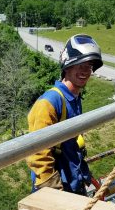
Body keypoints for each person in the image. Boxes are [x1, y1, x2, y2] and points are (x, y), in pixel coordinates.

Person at [26, 34, 103, 195]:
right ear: (67, 66)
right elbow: (38, 152)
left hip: (73, 183)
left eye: (89, 66)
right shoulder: (49, 102)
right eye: (80, 65)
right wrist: (52, 188)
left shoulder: (74, 98)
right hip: (56, 187)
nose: (86, 71)